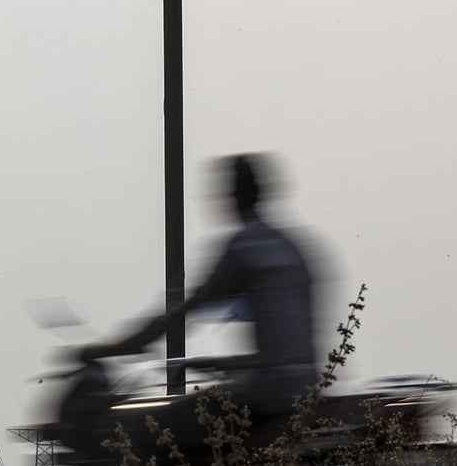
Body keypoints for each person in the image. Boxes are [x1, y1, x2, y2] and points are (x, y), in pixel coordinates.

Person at [79, 153, 320, 415]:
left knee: (155, 426)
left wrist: (121, 346)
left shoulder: (244, 247)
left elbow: (191, 306)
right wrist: (224, 363)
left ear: (234, 196)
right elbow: (290, 342)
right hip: (305, 387)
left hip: (269, 392)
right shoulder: (293, 248)